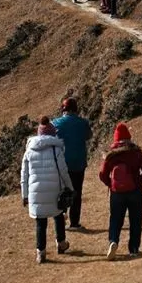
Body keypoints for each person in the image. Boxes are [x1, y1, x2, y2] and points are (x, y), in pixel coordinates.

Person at [20, 116, 75, 264]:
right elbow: (63, 171)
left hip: (35, 191)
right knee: (58, 215)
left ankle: (41, 252)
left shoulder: (29, 150)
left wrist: (25, 195)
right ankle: (61, 243)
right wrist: (70, 187)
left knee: (40, 222)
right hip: (54, 189)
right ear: (52, 134)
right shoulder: (56, 149)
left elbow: (24, 175)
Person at [98, 122, 142, 260]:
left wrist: (111, 184)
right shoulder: (136, 152)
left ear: (115, 139)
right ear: (129, 136)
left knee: (115, 219)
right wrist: (137, 181)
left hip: (116, 193)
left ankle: (113, 241)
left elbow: (102, 174)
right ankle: (134, 249)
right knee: (136, 219)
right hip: (135, 191)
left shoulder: (111, 155)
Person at [52, 98, 93, 230]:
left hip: (62, 163)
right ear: (76, 109)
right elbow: (88, 136)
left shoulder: (56, 123)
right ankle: (74, 222)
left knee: (62, 190)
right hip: (79, 162)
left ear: (63, 109)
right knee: (77, 191)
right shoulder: (83, 123)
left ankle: (61, 215)